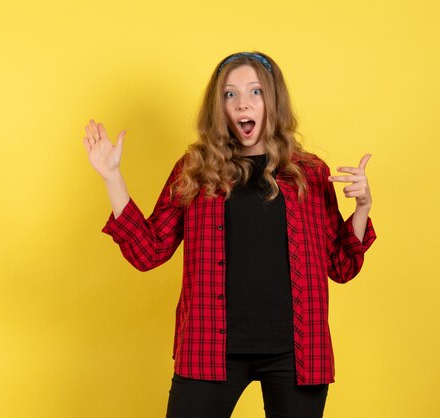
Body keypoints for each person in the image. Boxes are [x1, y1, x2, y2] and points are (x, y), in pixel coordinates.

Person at [82, 51, 376, 418]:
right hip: (209, 346)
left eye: (255, 92)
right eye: (229, 94)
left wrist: (362, 207)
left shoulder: (311, 173)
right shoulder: (194, 169)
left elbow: (341, 266)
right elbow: (149, 251)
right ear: (217, 107)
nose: (242, 104)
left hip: (297, 352)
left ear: (273, 101)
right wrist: (113, 177)